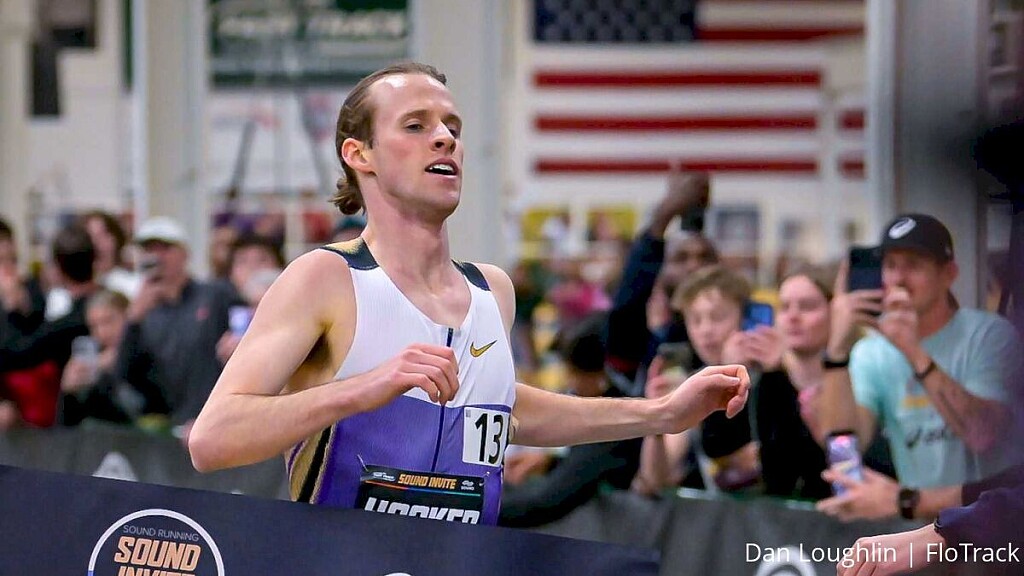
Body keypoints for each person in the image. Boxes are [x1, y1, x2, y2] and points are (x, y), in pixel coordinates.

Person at [188, 62, 750, 526]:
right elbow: (212, 440)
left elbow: (506, 407)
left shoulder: (491, 289)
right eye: (415, 125)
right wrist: (363, 388)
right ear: (360, 155)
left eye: (451, 126)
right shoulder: (327, 277)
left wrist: (663, 413)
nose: (444, 138)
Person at [818, 213, 1024, 522]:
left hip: (991, 525)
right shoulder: (872, 352)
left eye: (913, 265)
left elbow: (983, 435)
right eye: (890, 266)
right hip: (922, 528)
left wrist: (913, 351)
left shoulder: (989, 335)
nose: (899, 279)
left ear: (949, 274)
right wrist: (836, 351)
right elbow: (846, 443)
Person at [499, 312, 641, 527]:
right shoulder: (609, 416)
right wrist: (551, 462)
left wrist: (479, 507)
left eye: (573, 373)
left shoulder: (610, 427)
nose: (570, 383)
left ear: (598, 374)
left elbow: (547, 500)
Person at [116, 216, 237, 429]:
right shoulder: (143, 313)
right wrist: (133, 320)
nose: (156, 257)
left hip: (217, 419)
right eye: (149, 250)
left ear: (184, 254)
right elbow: (127, 375)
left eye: (165, 248)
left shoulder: (214, 295)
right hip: (172, 427)